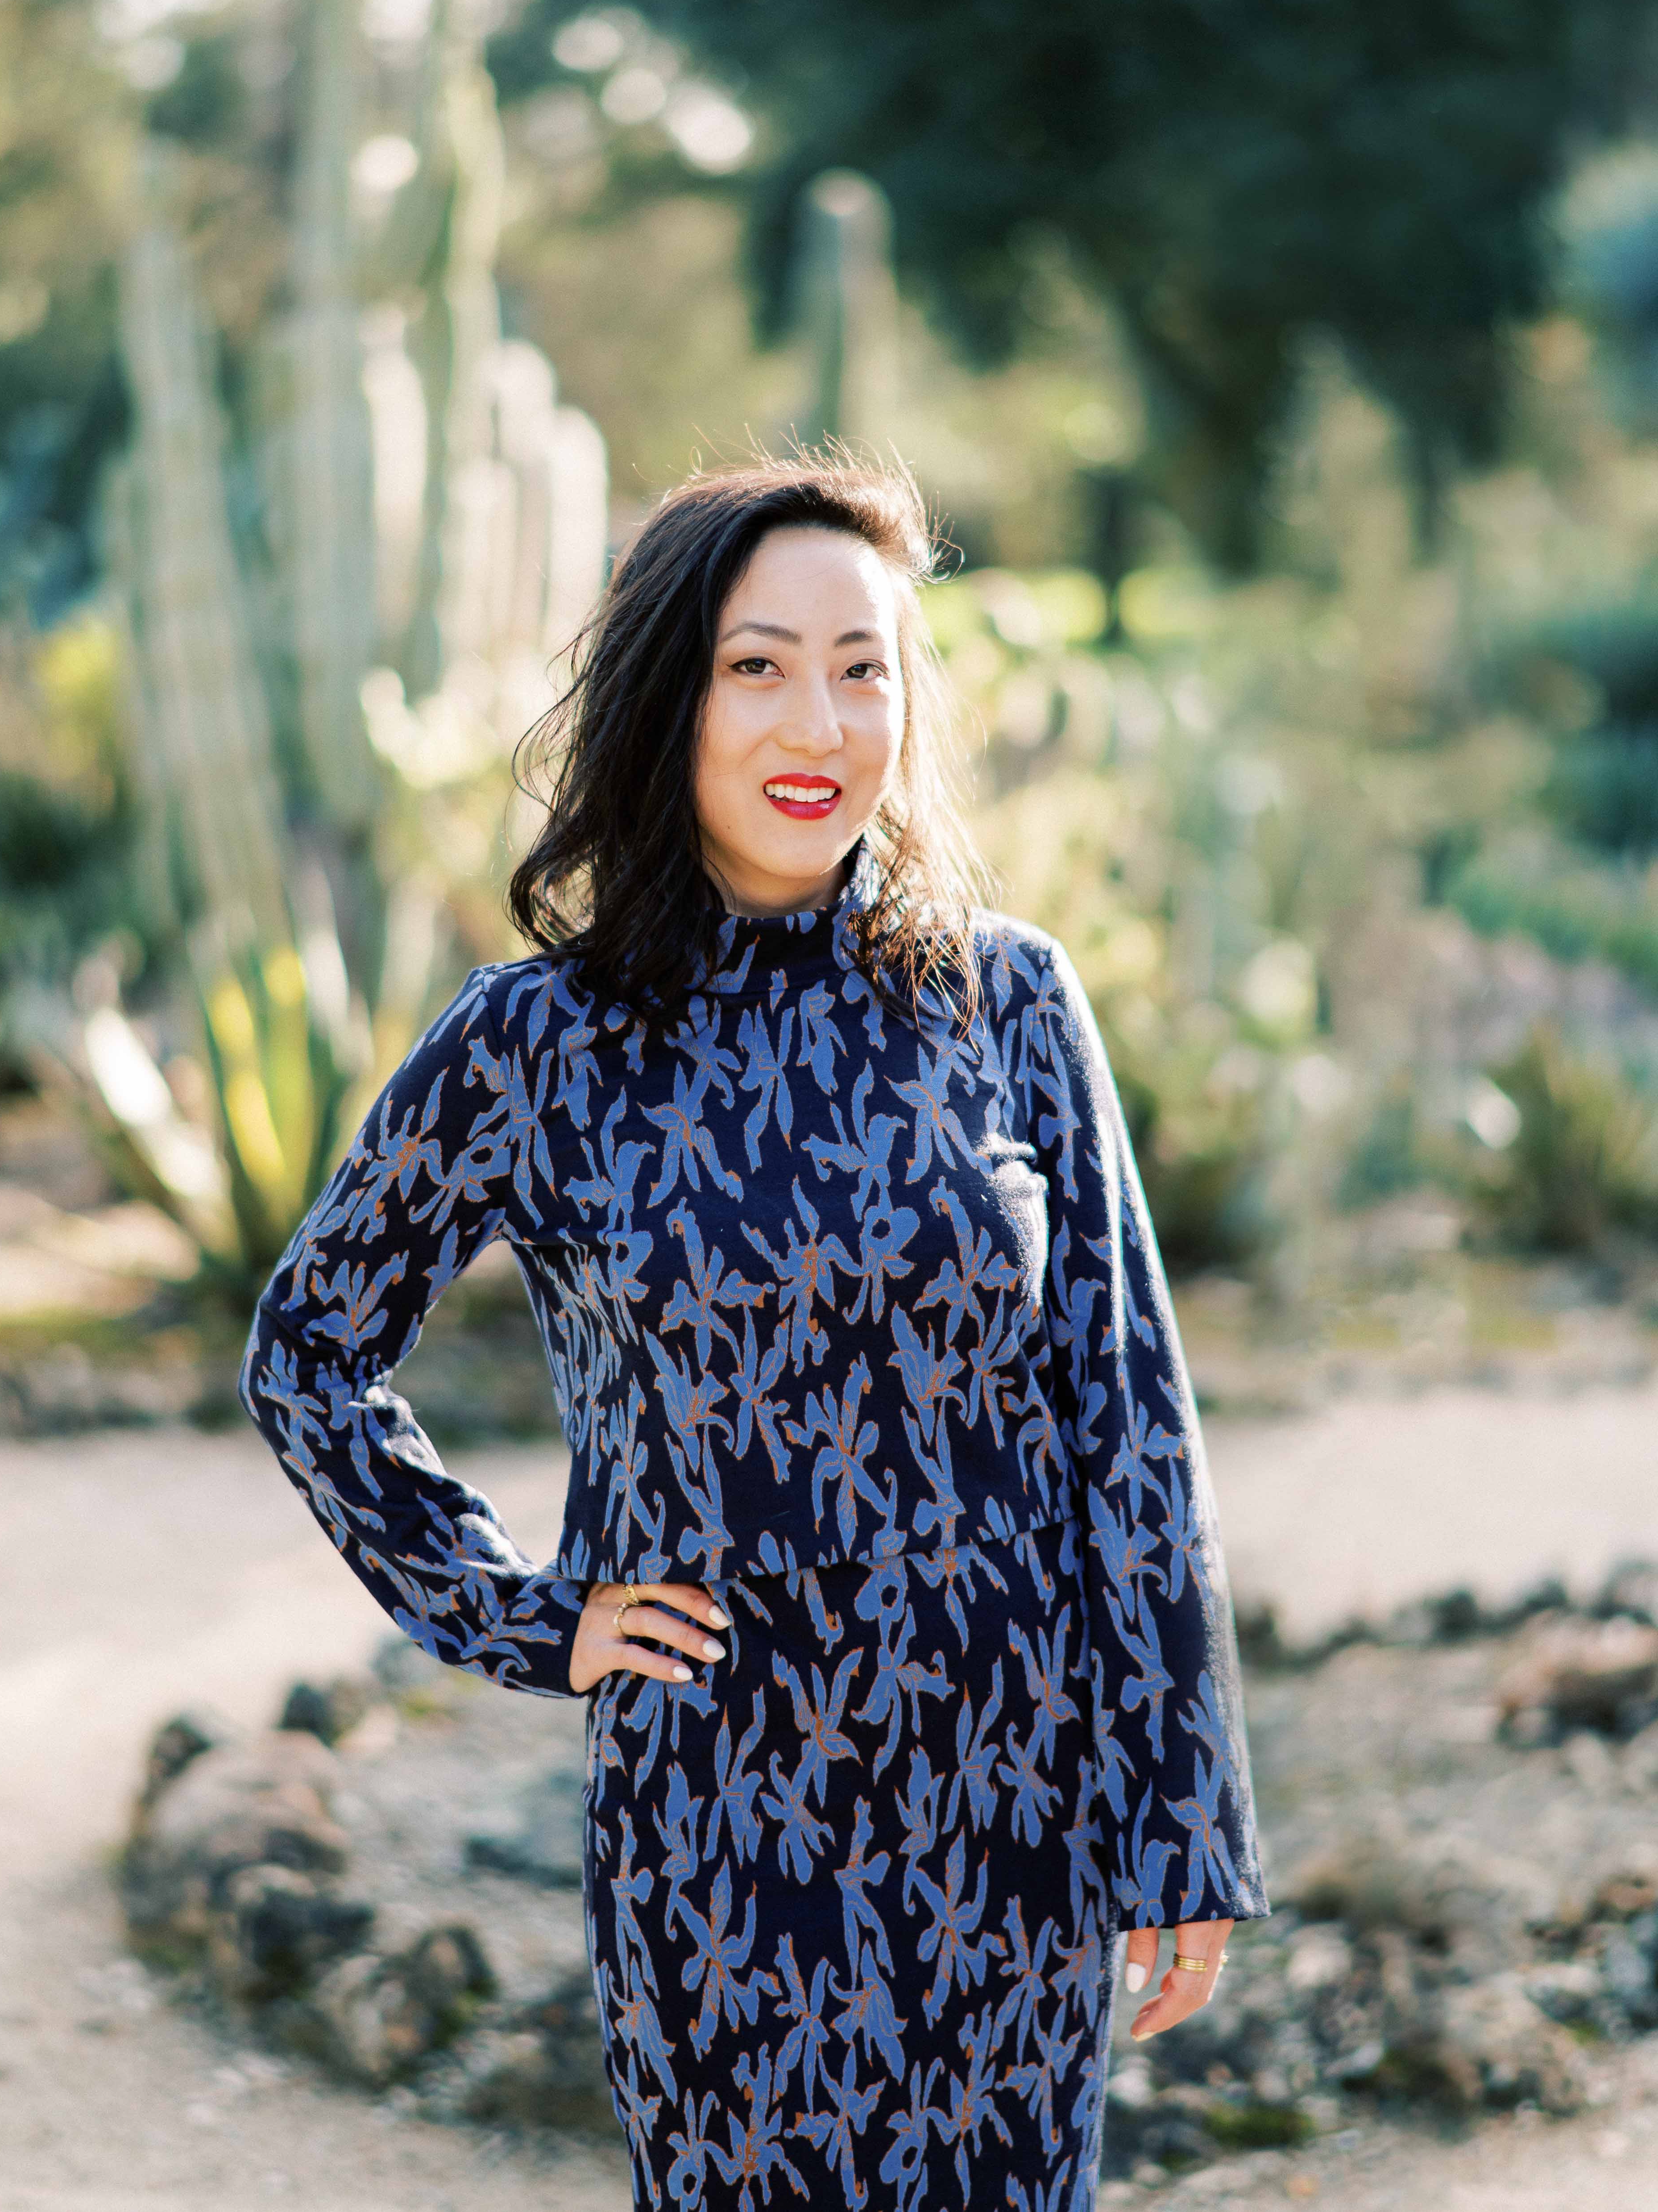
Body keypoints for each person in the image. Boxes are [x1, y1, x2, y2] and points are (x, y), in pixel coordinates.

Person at [238, 453, 1269, 2209]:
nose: (821, 720)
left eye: (864, 667)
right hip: (721, 1828)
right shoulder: (536, 1045)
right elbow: (309, 1351)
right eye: (759, 663)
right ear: (670, 697)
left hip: (1005, 1810)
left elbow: (1127, 1421)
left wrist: (1181, 1825)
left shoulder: (1005, 1000)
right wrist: (525, 1616)